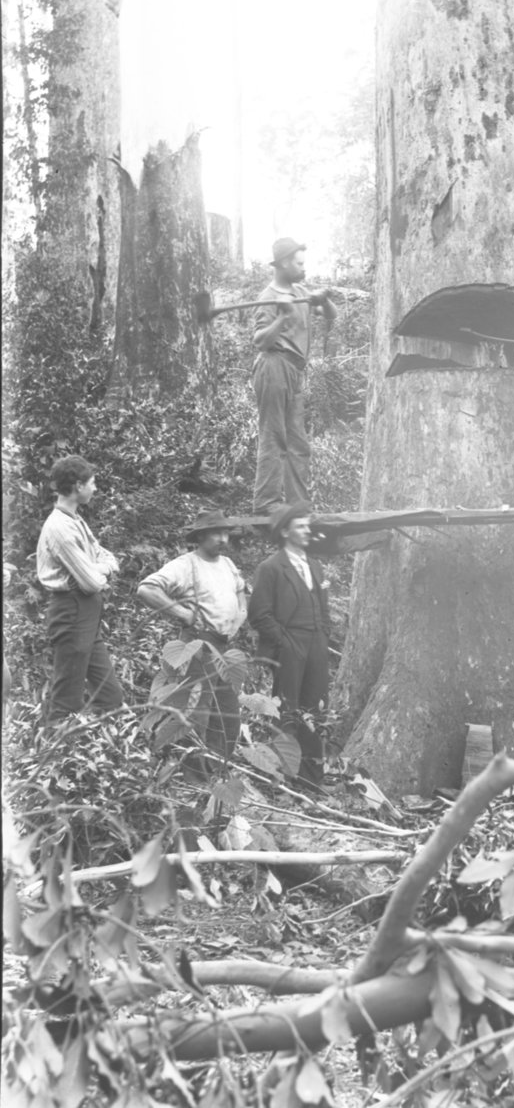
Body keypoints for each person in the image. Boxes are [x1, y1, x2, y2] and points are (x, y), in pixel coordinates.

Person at [136, 509, 248, 768]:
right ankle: (193, 777)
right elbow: (147, 588)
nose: (222, 539)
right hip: (197, 645)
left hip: (223, 647)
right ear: (200, 536)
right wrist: (181, 612)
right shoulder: (186, 565)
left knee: (227, 715)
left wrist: (239, 618)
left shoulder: (228, 565)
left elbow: (242, 595)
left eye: (225, 532)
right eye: (215, 533)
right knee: (195, 712)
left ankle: (218, 776)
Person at [248, 502, 331, 792]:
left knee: (316, 709)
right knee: (288, 711)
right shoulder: (270, 568)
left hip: (316, 644)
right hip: (289, 645)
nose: (308, 531)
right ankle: (285, 780)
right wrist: (284, 643)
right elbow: (258, 613)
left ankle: (312, 780)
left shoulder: (315, 565)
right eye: (301, 526)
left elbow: (322, 608)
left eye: (308, 526)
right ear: (285, 531)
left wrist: (323, 635)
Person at [252, 237, 337, 514]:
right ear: (285, 263)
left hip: (295, 370)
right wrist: (282, 318)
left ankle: (298, 504)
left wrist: (324, 300)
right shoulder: (269, 297)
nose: (303, 268)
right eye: (299, 263)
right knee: (274, 436)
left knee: (298, 443)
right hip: (274, 365)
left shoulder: (301, 290)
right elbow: (260, 341)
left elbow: (330, 315)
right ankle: (267, 503)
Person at [35, 455, 123, 720]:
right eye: (92, 483)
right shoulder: (59, 527)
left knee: (110, 696)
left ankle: (99, 751)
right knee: (67, 698)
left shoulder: (75, 521)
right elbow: (91, 582)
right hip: (71, 610)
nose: (95, 488)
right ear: (77, 486)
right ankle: (55, 756)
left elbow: (107, 557)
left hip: (87, 615)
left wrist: (100, 566)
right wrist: (102, 569)